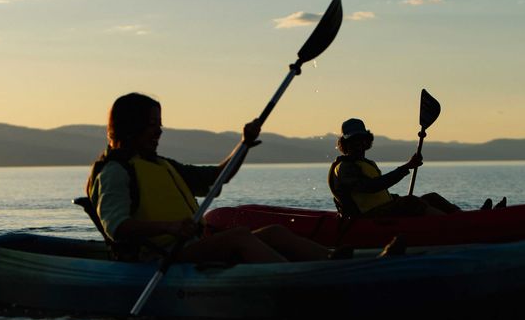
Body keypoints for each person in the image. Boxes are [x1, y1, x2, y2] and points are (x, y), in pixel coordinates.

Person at [86, 92, 354, 264]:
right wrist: (170, 227)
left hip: (189, 247)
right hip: (157, 258)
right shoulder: (115, 171)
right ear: (131, 127)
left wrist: (244, 144)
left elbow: (217, 177)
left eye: (160, 125)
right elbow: (117, 227)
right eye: (152, 125)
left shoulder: (161, 165)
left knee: (274, 232)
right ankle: (300, 281)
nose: (159, 132)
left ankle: (333, 261)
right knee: (239, 237)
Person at [328, 118, 504, 218]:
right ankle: (457, 226)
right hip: (367, 218)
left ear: (367, 141)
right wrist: (407, 167)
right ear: (345, 144)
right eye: (353, 141)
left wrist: (397, 196)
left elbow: (379, 194)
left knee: (431, 197)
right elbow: (371, 187)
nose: (358, 144)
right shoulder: (344, 168)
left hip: (382, 209)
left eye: (361, 140)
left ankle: (469, 218)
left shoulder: (366, 163)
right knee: (411, 202)